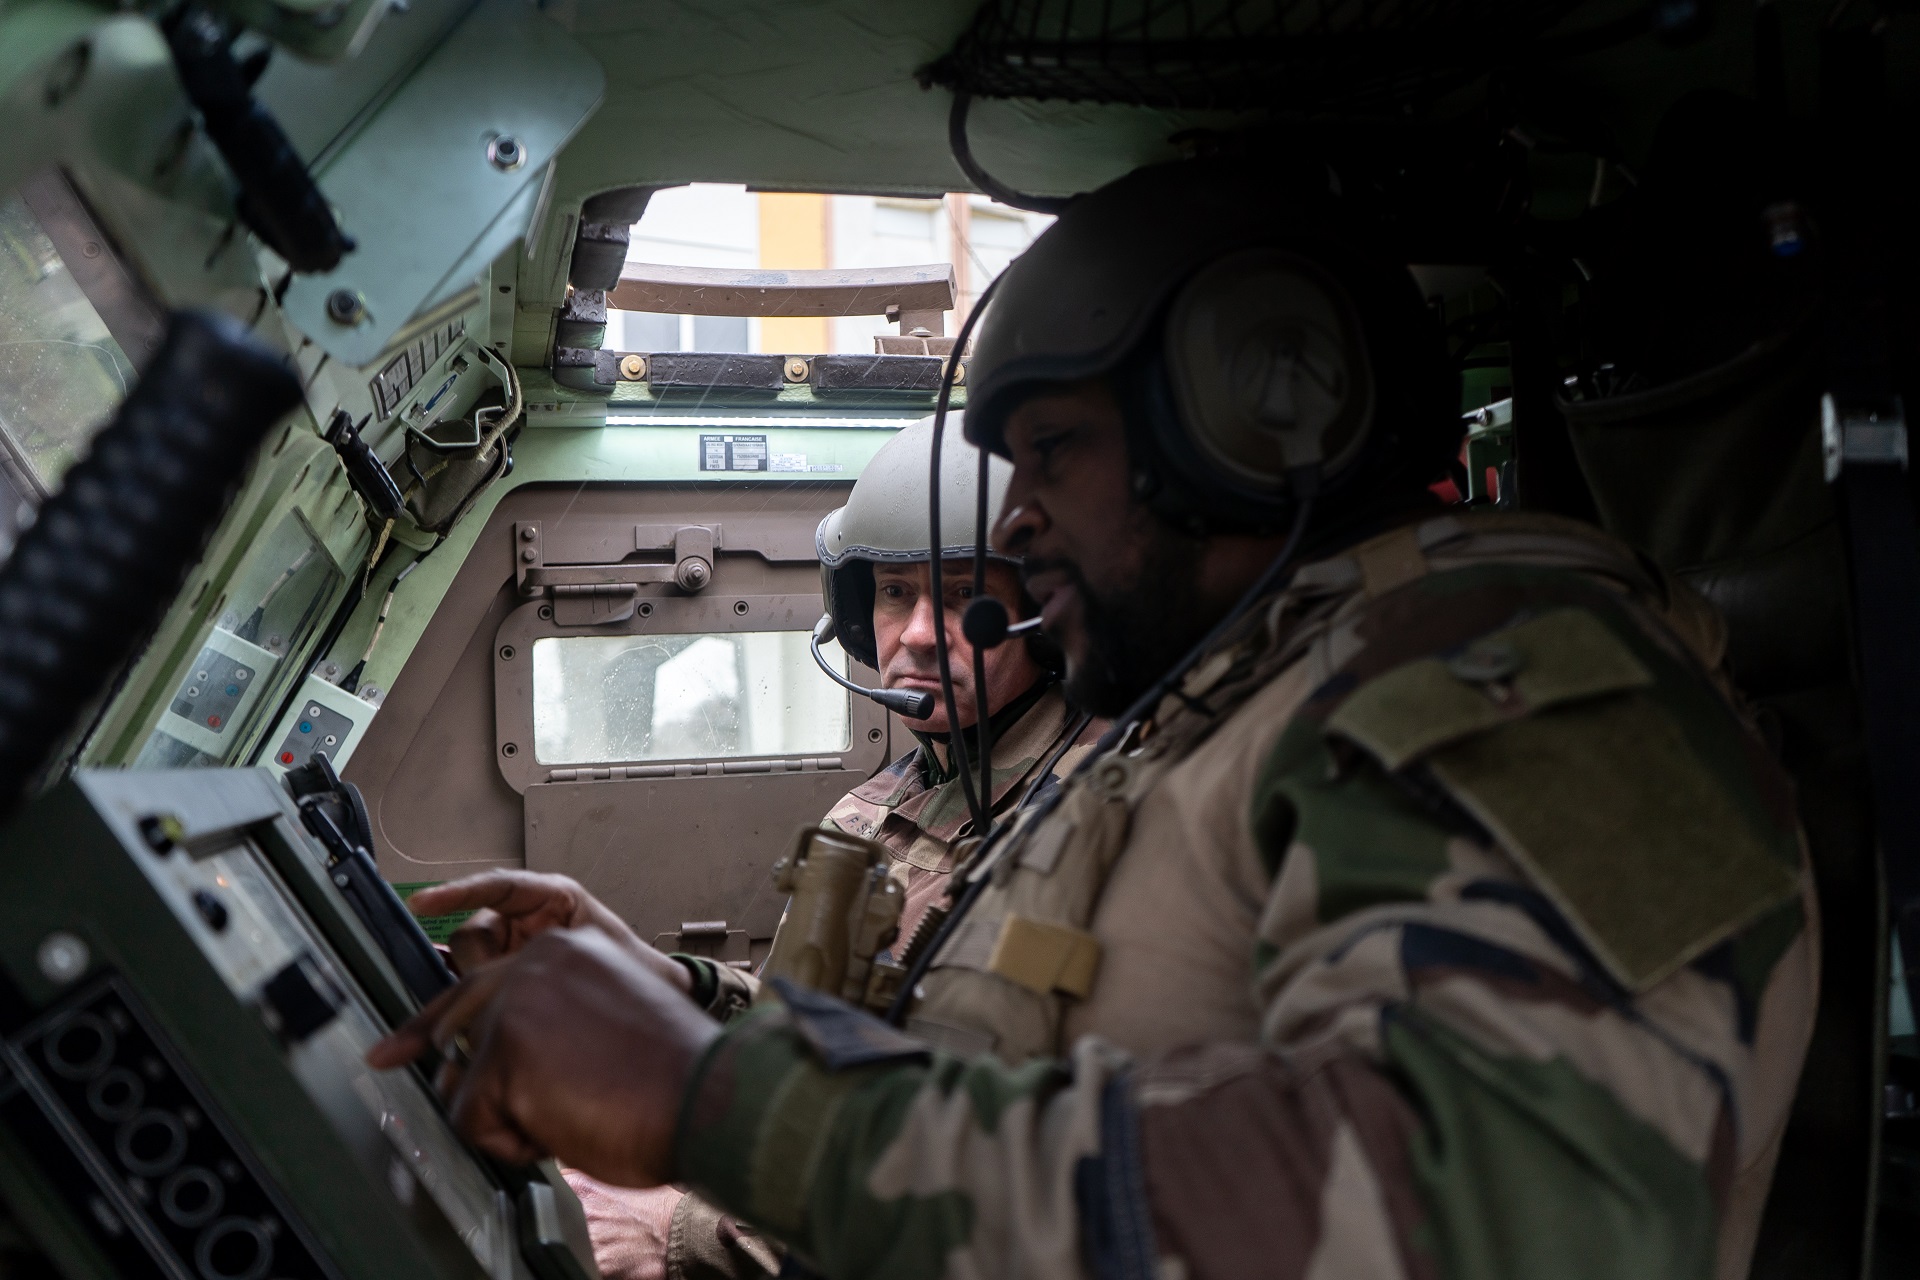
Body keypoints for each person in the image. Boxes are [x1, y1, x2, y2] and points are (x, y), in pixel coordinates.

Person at [372, 162, 1817, 1280]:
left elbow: (1503, 1217)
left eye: (1054, 450)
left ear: (1256, 414)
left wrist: (717, 1108)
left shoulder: (1522, 693)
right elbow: (1041, 1060)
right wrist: (673, 1009)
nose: (1019, 519)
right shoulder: (1239, 697)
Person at [403, 415, 1100, 1280]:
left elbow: (988, 1169)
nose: (917, 633)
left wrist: (679, 1233)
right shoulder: (883, 806)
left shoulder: (1083, 831)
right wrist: (656, 980)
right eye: (893, 593)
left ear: (1046, 612)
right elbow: (807, 1035)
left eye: (960, 596)